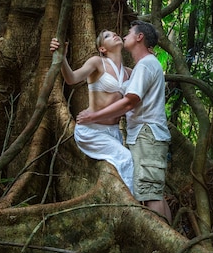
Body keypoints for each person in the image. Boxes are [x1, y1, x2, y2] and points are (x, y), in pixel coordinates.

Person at [76, 20, 172, 224]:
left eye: (129, 32)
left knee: (151, 193)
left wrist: (93, 116)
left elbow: (129, 102)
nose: (123, 35)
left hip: (148, 134)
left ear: (139, 37)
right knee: (153, 189)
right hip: (143, 134)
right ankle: (165, 239)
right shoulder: (139, 67)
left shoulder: (145, 65)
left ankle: (164, 243)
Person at [50, 30, 135, 194]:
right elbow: (72, 78)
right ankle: (133, 207)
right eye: (108, 36)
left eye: (116, 33)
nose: (115, 35)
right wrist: (61, 58)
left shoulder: (129, 73)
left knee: (122, 167)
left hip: (114, 133)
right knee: (126, 158)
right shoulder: (97, 62)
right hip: (91, 131)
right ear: (102, 48)